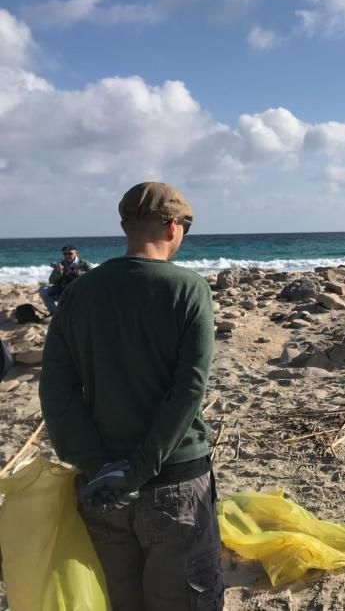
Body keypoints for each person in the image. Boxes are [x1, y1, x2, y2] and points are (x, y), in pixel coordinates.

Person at [39, 182, 223, 610]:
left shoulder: (80, 292)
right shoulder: (188, 288)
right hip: (174, 479)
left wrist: (94, 463)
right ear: (174, 226)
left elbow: (56, 388)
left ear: (125, 225)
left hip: (102, 483)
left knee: (120, 599)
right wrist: (138, 469)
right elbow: (189, 388)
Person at [38, 245, 91, 314]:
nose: (67, 256)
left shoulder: (84, 264)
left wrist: (80, 273)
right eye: (65, 254)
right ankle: (55, 313)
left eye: (70, 253)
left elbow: (93, 277)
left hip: (79, 293)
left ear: (76, 253)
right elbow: (51, 281)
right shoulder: (61, 264)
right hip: (63, 291)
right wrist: (58, 272)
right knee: (43, 290)